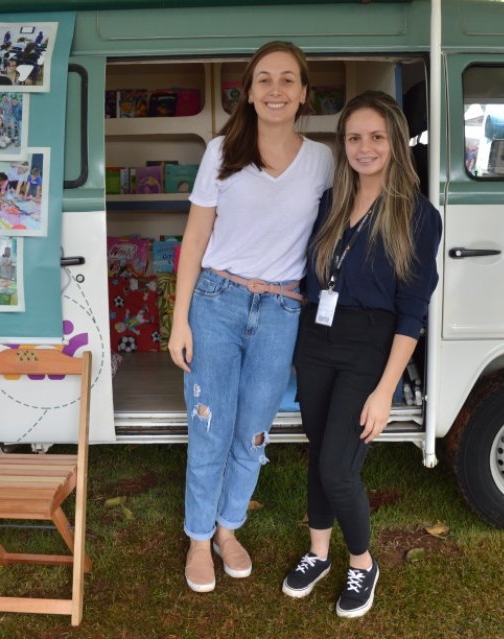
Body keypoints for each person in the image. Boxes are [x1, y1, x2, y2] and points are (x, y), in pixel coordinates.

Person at [166, 41, 332, 594]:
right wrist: (179, 320)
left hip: (283, 308)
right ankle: (197, 538)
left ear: (304, 93)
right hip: (216, 302)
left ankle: (228, 529)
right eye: (265, 79)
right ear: (250, 91)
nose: (276, 90)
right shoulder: (222, 152)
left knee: (254, 432)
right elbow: (193, 240)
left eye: (288, 79)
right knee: (209, 427)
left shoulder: (323, 161)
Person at [281, 91, 441, 617]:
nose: (365, 147)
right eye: (354, 137)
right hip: (317, 340)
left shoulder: (418, 216)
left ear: (395, 142)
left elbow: (412, 312)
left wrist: (385, 389)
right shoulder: (330, 203)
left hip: (370, 347)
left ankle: (362, 564)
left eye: (376, 137)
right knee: (320, 453)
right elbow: (309, 278)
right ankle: (318, 552)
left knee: (339, 467)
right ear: (342, 143)